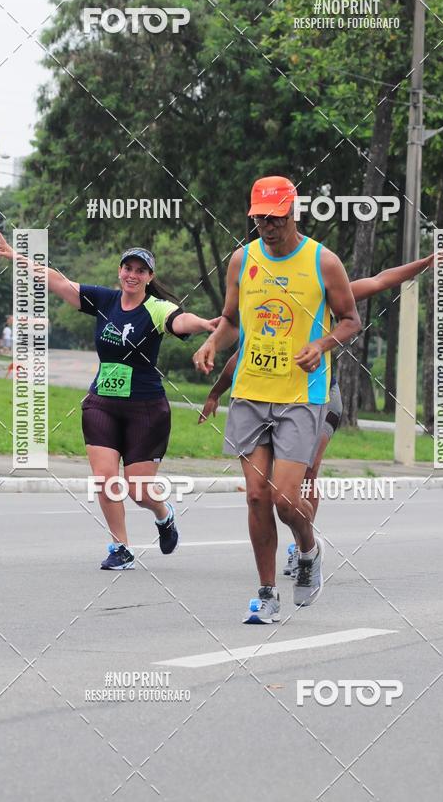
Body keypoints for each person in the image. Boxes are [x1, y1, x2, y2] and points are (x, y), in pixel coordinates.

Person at [198, 250, 439, 579]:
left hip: (321, 397)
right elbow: (239, 357)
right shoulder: (263, 313)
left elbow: (382, 279)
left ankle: (302, 548)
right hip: (267, 395)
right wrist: (215, 394)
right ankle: (296, 553)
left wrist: (424, 263)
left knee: (307, 472)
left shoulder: (325, 288)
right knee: (268, 492)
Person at [0, 233, 218, 570]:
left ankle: (163, 514)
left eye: (140, 271)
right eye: (128, 267)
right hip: (102, 404)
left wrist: (204, 324)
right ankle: (120, 546)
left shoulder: (155, 308)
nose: (132, 274)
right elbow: (58, 281)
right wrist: (17, 258)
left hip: (146, 409)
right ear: (120, 271)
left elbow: (179, 320)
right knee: (106, 478)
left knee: (138, 489)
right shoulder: (105, 300)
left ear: (149, 278)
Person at [193, 175, 361, 624]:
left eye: (275, 217)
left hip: (300, 397)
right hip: (250, 392)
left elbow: (350, 320)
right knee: (254, 497)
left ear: (293, 212)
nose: (267, 225)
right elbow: (231, 320)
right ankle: (266, 593)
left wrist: (322, 345)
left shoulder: (323, 262)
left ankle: (308, 548)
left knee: (287, 501)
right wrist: (213, 343)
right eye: (259, 218)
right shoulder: (241, 261)